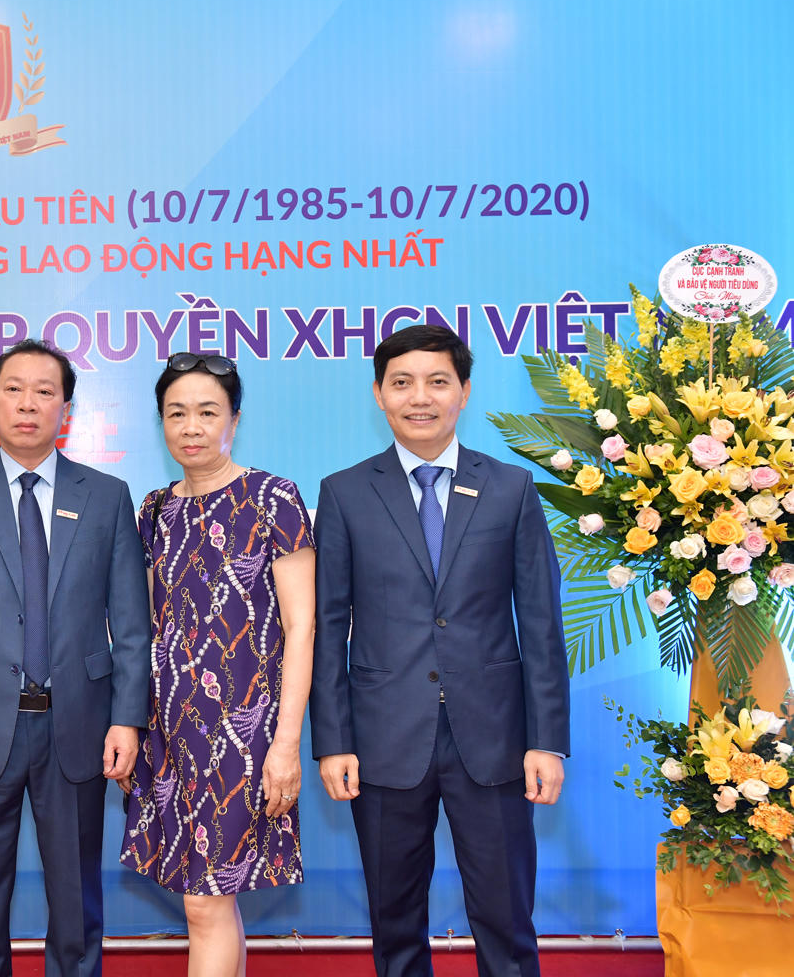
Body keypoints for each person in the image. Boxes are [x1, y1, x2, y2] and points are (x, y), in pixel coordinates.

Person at [310, 324, 570, 977]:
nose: (419, 397)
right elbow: (327, 624)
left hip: (495, 739)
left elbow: (541, 623)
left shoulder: (511, 488)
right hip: (383, 741)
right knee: (395, 926)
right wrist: (333, 740)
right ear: (378, 394)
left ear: (464, 392)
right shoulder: (344, 492)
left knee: (507, 922)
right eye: (402, 383)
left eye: (437, 381)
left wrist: (546, 741)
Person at [0, 339, 151, 977]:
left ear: (66, 409)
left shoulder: (106, 495)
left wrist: (127, 719)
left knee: (77, 901)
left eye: (45, 392)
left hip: (79, 725)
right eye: (13, 390)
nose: (28, 404)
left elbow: (131, 624)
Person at [120, 352, 316, 977]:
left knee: (205, 901)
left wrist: (286, 743)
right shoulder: (155, 509)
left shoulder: (272, 497)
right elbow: (146, 628)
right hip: (171, 730)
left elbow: (302, 627)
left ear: (235, 418)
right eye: (176, 413)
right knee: (207, 898)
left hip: (244, 734)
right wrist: (135, 726)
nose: (192, 427)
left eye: (208, 412)